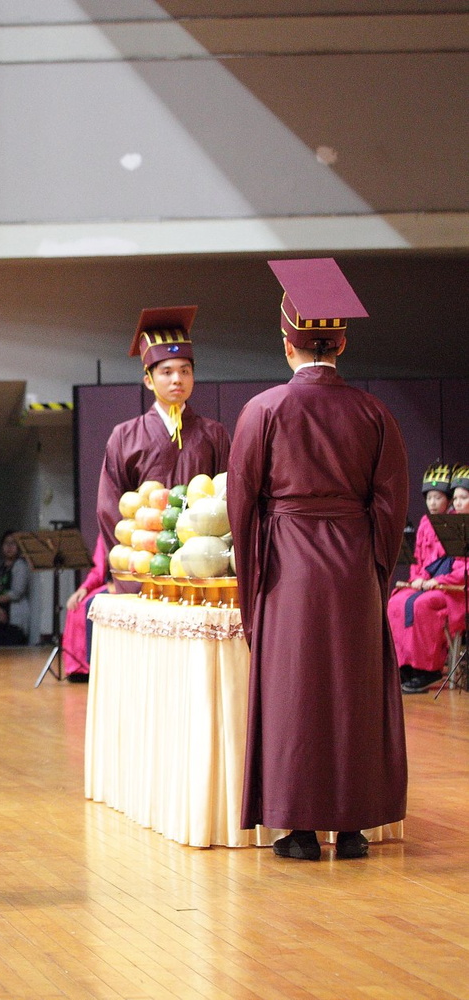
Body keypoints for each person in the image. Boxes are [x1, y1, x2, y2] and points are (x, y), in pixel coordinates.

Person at [229, 257, 408, 862]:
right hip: (354, 565)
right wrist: (375, 573)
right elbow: (390, 506)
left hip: (289, 569)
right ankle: (353, 827)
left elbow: (242, 506)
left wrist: (252, 584)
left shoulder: (263, 410)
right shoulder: (374, 412)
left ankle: (299, 830)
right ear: (342, 342)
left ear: (286, 345)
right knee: (353, 692)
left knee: (294, 694)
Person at [97, 307, 231, 593]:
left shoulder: (214, 434)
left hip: (201, 570)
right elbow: (109, 508)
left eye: (185, 371)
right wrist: (128, 565)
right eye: (166, 372)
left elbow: (227, 498)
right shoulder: (125, 436)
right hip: (146, 571)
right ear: (148, 379)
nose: (177, 380)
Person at [387, 463, 465, 694]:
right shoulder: (424, 524)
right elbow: (419, 562)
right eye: (429, 497)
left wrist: (438, 582)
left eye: (438, 497)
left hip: (453, 590)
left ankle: (427, 669)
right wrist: (419, 579)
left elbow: (463, 567)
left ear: (447, 500)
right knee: (397, 602)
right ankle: (405, 666)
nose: (432, 503)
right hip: (430, 584)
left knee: (422, 605)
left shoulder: (460, 524)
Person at [61, 536, 108, 682]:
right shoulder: (105, 530)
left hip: (127, 583)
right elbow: (98, 568)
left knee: (91, 605)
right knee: (78, 605)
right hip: (109, 583)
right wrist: (84, 588)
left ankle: (94, 666)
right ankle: (79, 669)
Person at [0, 531, 32, 645]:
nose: (9, 547)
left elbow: (17, 592)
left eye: (13, 543)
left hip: (14, 620)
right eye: (6, 543)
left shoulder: (21, 566)